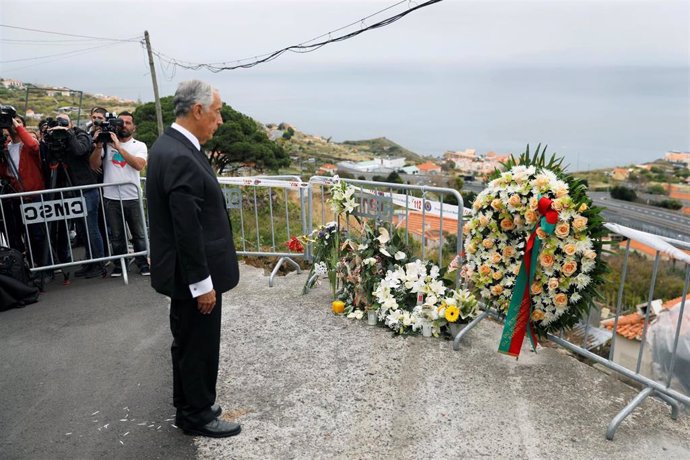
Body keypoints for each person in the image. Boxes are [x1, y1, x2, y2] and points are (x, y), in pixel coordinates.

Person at [146, 80, 240, 438]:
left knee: (188, 342)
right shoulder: (180, 156)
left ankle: (191, 404)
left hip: (183, 272)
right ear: (198, 110)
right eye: (216, 112)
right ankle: (197, 415)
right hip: (193, 276)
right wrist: (203, 286)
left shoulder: (171, 147)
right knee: (198, 345)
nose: (219, 121)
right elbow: (188, 229)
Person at [42, 113, 105, 279]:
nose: (60, 126)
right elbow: (49, 160)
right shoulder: (57, 139)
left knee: (91, 228)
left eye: (63, 122)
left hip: (86, 187)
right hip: (70, 190)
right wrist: (49, 138)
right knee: (82, 230)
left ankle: (99, 263)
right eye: (57, 123)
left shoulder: (80, 134)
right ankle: (89, 262)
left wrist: (68, 133)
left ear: (70, 123)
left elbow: (79, 151)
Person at [90, 111, 149, 277]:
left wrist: (118, 147)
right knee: (116, 235)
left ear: (134, 127)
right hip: (111, 197)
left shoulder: (139, 145)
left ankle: (143, 263)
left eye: (128, 122)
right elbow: (94, 165)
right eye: (120, 122)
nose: (124, 125)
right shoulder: (107, 144)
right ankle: (119, 263)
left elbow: (138, 165)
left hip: (132, 196)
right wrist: (100, 145)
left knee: (139, 234)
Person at [0, 116, 45, 260]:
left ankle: (45, 267)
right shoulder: (6, 147)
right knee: (23, 234)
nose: (13, 126)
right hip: (17, 197)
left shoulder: (27, 146)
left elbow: (34, 146)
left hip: (35, 196)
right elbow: (4, 172)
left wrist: (15, 124)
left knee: (38, 235)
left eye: (18, 123)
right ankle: (31, 265)